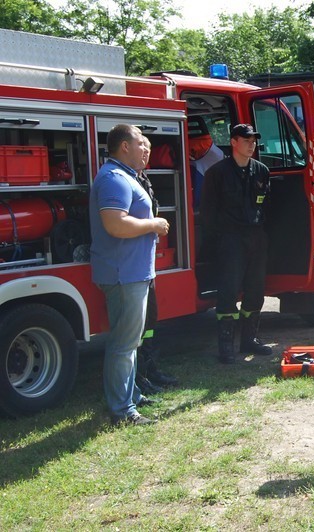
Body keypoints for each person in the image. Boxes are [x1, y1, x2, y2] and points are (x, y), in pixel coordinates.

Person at [90, 124, 169, 425]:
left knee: (131, 342)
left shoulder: (126, 177)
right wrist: (153, 224)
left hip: (134, 273)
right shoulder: (114, 178)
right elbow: (115, 224)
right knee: (123, 344)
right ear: (124, 146)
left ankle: (130, 396)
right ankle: (123, 411)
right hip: (124, 275)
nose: (147, 149)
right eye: (142, 143)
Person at [200, 124, 273, 364]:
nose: (252, 143)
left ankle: (249, 339)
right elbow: (208, 212)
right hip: (230, 239)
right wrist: (217, 241)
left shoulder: (261, 171)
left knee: (255, 290)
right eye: (246, 139)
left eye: (254, 139)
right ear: (233, 142)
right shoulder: (217, 173)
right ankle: (226, 346)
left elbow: (266, 206)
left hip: (256, 237)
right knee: (228, 291)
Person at [133, 136, 178, 394]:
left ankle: (150, 369)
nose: (146, 154)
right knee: (138, 327)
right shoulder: (127, 180)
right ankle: (139, 378)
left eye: (149, 150)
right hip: (134, 265)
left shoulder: (143, 179)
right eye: (143, 148)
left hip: (146, 263)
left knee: (150, 321)